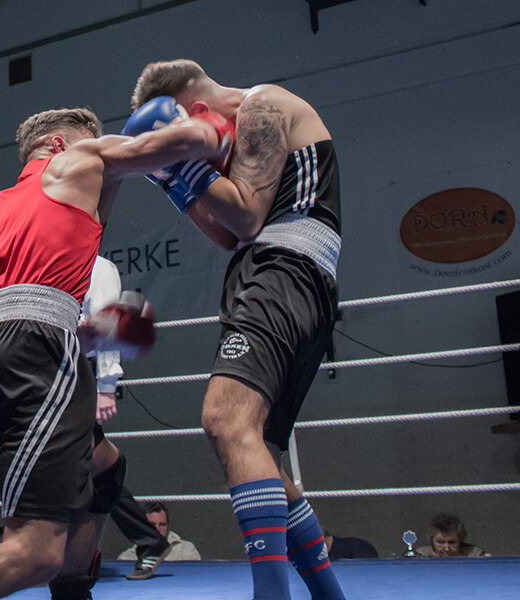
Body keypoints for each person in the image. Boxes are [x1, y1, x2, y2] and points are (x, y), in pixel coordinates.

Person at [0, 104, 231, 600]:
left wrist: (89, 334)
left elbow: (11, 301)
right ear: (60, 144)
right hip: (36, 357)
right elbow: (167, 145)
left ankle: (74, 593)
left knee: (106, 467)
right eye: (94, 140)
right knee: (34, 553)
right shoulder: (80, 158)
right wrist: (217, 126)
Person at [130, 59, 344, 599]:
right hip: (265, 272)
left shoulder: (261, 105)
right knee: (261, 455)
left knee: (224, 417)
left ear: (196, 111)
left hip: (286, 268)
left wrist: (182, 162)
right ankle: (329, 596)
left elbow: (246, 217)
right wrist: (170, 178)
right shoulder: (234, 147)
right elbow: (227, 236)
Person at [82, 256, 173, 580]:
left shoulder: (99, 267)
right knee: (86, 465)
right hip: (65, 370)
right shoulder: (61, 261)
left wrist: (106, 387)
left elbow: (110, 325)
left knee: (91, 462)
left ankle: (147, 541)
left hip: (84, 373)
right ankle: (147, 542)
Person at [118, 502, 201, 562]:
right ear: (143, 526)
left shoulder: (186, 549)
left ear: (168, 526)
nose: (157, 529)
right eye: (152, 525)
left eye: (162, 524)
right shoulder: (129, 557)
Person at [415, 513, 486, 558]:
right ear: (432, 541)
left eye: (452, 542)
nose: (446, 549)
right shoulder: (420, 556)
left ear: (460, 540)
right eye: (440, 542)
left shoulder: (475, 555)